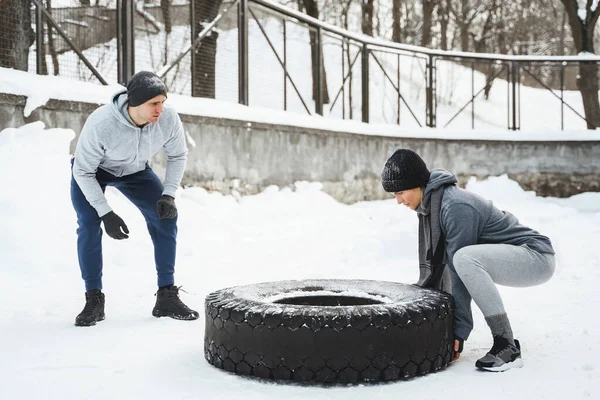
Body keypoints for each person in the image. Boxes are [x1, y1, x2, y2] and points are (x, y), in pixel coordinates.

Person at [381, 149, 555, 372]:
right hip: (516, 255)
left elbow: (457, 270)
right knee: (464, 259)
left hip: (535, 256)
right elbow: (444, 266)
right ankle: (505, 342)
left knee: (464, 258)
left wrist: (459, 329)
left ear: (417, 184)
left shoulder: (454, 206)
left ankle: (506, 345)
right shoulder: (431, 206)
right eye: (394, 195)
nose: (398, 201)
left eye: (400, 192)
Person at [70, 71, 199, 327]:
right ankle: (93, 299)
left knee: (165, 218)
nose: (160, 109)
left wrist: (169, 194)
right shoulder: (102, 123)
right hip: (93, 172)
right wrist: (105, 212)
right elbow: (83, 171)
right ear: (135, 103)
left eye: (163, 101)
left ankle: (166, 296)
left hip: (136, 171)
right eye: (154, 103)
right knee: (88, 222)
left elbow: (178, 155)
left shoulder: (168, 118)